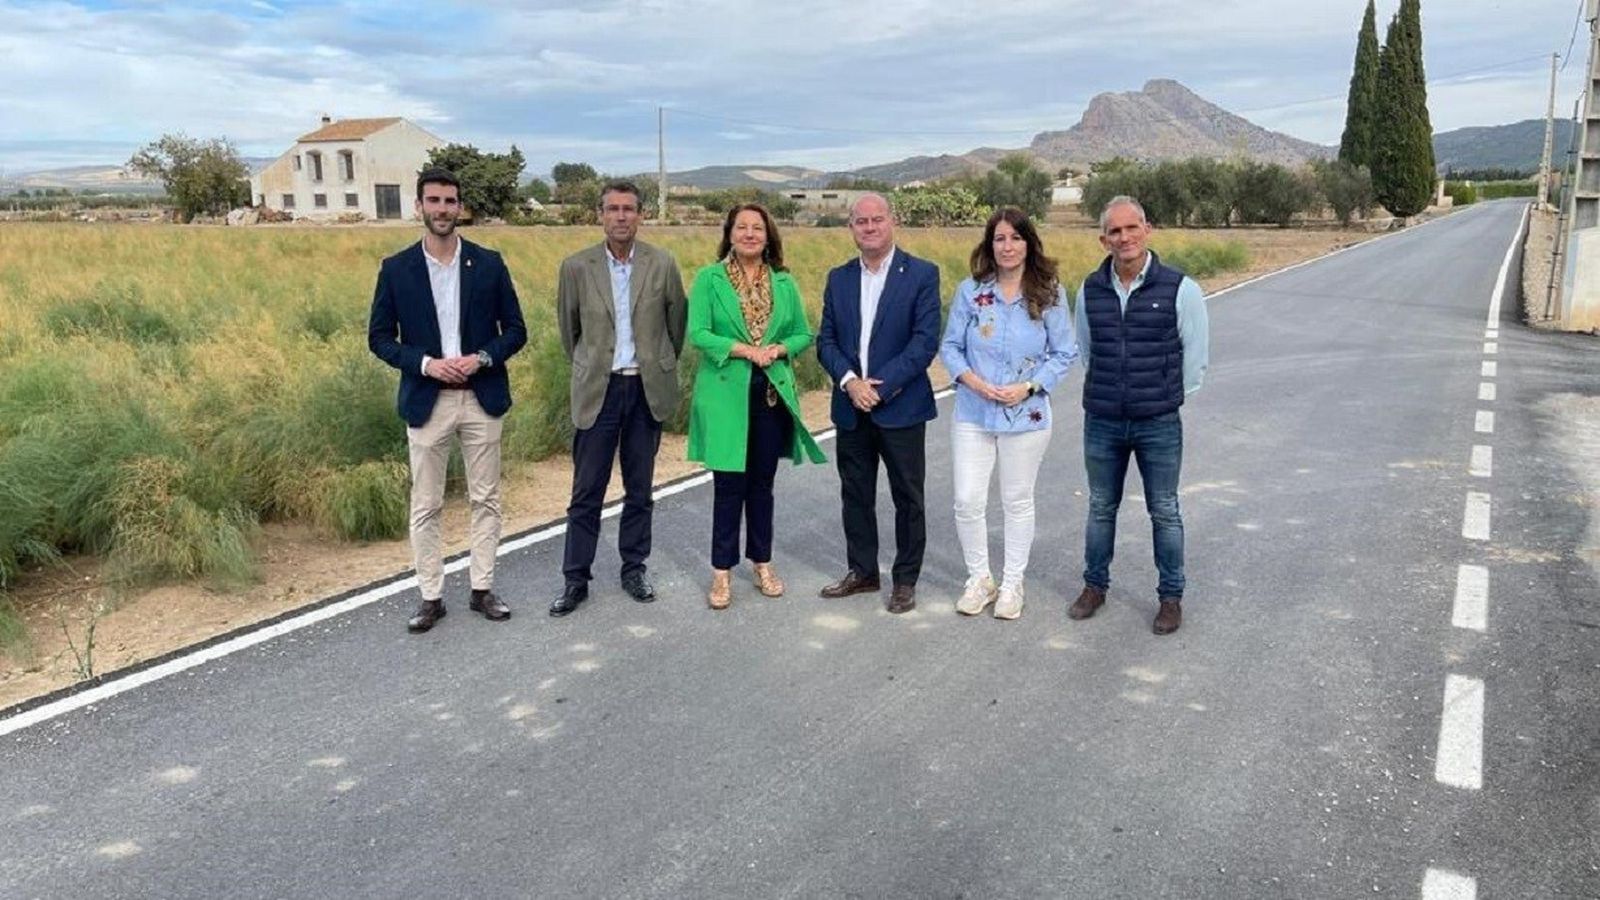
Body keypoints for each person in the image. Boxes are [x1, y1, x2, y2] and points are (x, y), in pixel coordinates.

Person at [367, 168, 528, 634]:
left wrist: (481, 358)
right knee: (427, 503)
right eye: (433, 201)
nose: (442, 209)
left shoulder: (489, 263)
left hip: (481, 398)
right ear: (419, 206)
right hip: (427, 399)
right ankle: (431, 596)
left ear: (461, 208)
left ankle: (482, 589)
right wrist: (425, 364)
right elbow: (379, 338)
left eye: (450, 201)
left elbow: (516, 330)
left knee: (486, 498)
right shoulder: (396, 269)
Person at [1068, 195, 1209, 635]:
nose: (1124, 237)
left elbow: (1195, 358)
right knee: (1100, 508)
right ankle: (1095, 586)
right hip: (1103, 420)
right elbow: (1087, 351)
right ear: (1103, 239)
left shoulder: (1181, 288)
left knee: (1165, 510)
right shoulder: (1090, 290)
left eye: (1132, 228)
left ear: (1147, 230)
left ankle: (1171, 597)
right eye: (1115, 231)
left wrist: (1162, 398)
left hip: (1158, 422)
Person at [552, 181, 688, 617]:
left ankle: (634, 569)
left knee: (640, 489)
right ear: (600, 215)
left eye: (629, 209)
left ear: (641, 215)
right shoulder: (576, 267)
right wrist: (595, 367)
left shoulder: (663, 264)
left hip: (645, 390)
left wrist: (653, 365)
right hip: (600, 390)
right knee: (586, 491)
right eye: (613, 209)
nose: (621, 216)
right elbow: (569, 333)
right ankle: (576, 579)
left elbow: (676, 327)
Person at [685, 204, 826, 609]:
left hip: (770, 395)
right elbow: (698, 333)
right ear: (729, 234)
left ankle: (762, 563)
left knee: (762, 487)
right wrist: (744, 349)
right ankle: (722, 573)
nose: (749, 234)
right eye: (742, 227)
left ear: (768, 236)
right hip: (726, 394)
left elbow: (803, 332)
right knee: (729, 487)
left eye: (757, 228)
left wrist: (779, 348)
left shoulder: (784, 282)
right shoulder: (709, 279)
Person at [940, 207, 1077, 620]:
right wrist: (973, 382)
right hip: (973, 410)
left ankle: (1012, 583)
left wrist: (1030, 386)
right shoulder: (971, 292)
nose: (1007, 246)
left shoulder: (1049, 291)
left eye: (1015, 238)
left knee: (1016, 500)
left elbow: (1065, 351)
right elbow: (950, 346)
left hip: (1027, 415)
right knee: (967, 499)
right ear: (989, 244)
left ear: (1028, 243)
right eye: (999, 238)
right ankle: (980, 578)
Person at [815, 194, 941, 614]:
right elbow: (826, 341)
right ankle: (863, 572)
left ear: (893, 222)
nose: (869, 227)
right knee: (856, 493)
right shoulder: (839, 278)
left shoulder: (921, 274)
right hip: (851, 406)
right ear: (851, 228)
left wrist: (879, 389)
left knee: (908, 497)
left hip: (900, 407)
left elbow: (924, 344)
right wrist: (851, 382)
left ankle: (905, 580)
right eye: (860, 221)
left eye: (877, 220)